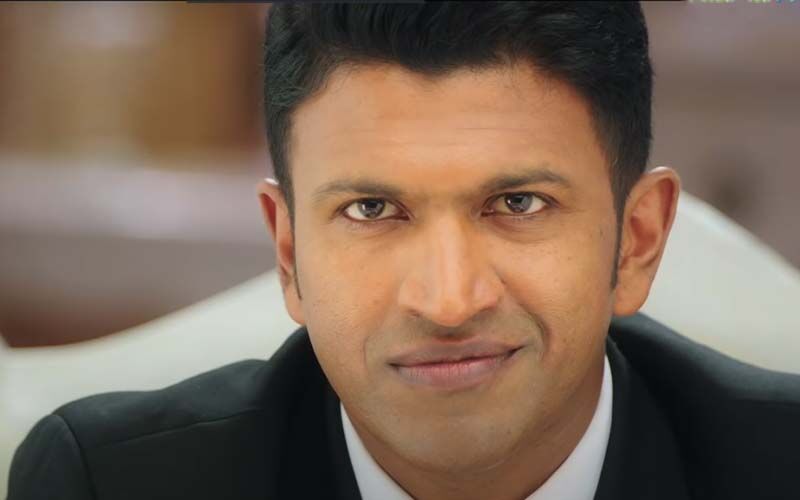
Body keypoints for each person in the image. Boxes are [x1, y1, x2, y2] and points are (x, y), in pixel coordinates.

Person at [8, 3, 800, 499]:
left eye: (518, 203)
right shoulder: (109, 483)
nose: (448, 302)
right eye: (371, 209)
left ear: (637, 242)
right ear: (288, 251)